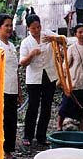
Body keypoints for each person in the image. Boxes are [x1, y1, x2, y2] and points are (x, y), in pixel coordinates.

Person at [19, 14, 60, 146]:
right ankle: (28, 136)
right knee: (33, 107)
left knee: (46, 107)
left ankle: (41, 136)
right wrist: (31, 54)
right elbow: (23, 63)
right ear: (28, 28)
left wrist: (54, 38)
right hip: (34, 79)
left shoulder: (47, 35)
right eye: (33, 28)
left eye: (38, 27)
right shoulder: (26, 42)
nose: (36, 30)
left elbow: (64, 40)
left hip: (49, 75)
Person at [0, 14, 21, 159]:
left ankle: (8, 152)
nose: (10, 28)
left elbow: (15, 70)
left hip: (12, 89)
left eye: (11, 25)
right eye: (6, 25)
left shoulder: (11, 46)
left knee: (11, 121)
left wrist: (19, 92)